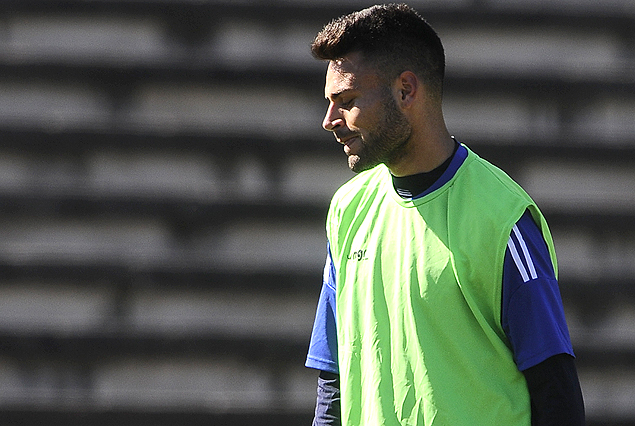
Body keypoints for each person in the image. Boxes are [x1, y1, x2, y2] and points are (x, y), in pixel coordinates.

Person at [305, 4, 585, 426]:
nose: (329, 121)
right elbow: (334, 381)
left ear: (406, 91)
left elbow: (556, 390)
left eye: (346, 101)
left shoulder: (502, 217)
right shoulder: (347, 210)